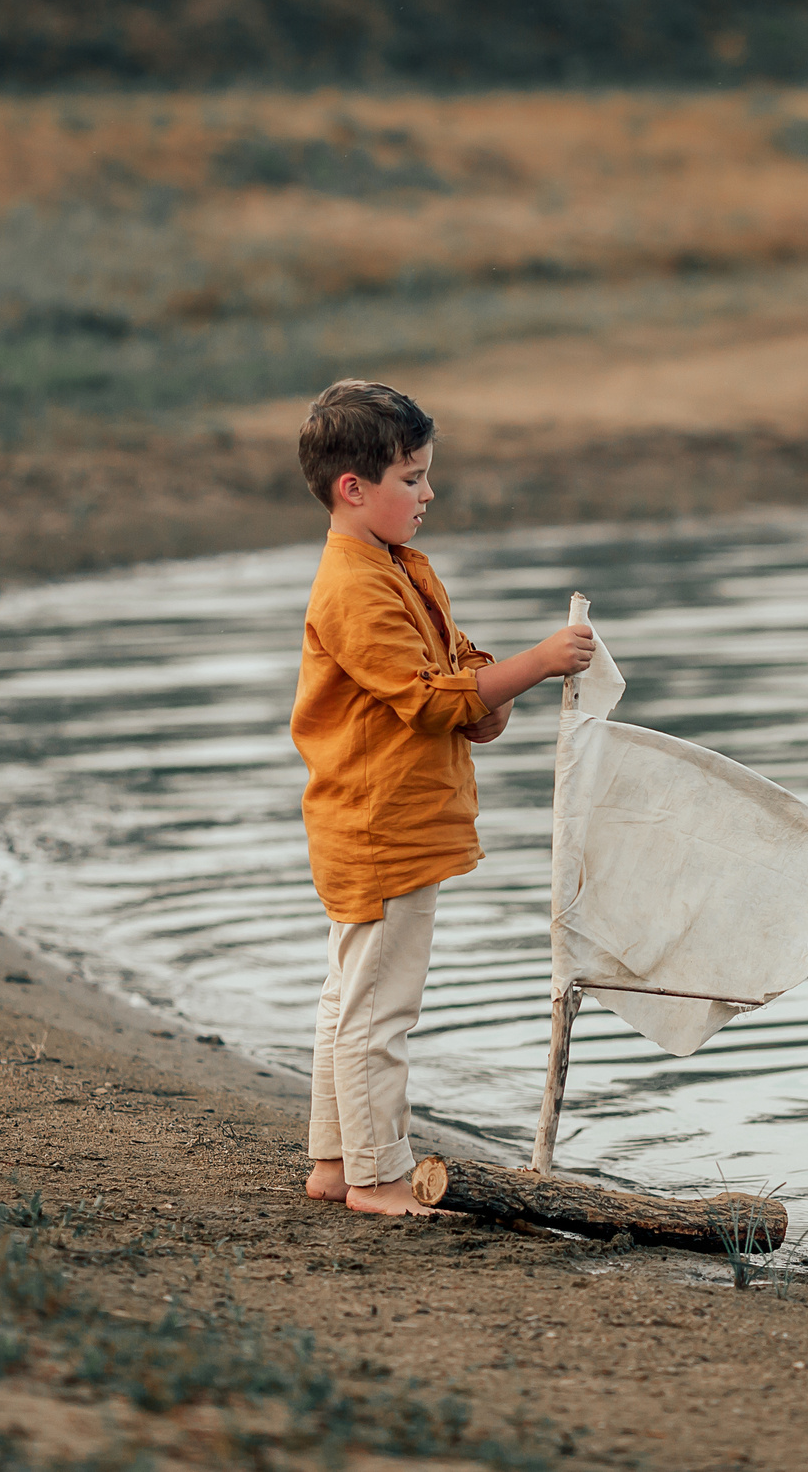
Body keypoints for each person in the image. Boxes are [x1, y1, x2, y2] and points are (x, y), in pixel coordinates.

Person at [291, 379, 594, 1216]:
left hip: (388, 820)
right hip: (379, 825)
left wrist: (490, 696)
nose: (429, 494)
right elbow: (429, 698)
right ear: (354, 488)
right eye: (413, 477)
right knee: (380, 1009)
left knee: (349, 993)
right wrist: (536, 663)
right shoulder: (353, 584)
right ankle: (378, 1175)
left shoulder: (398, 567)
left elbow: (454, 673)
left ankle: (332, 1160)